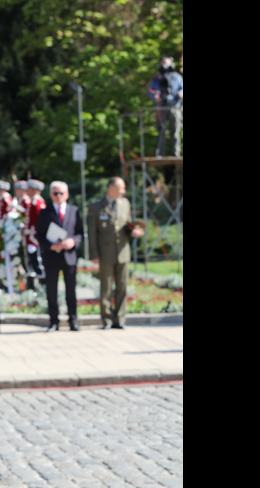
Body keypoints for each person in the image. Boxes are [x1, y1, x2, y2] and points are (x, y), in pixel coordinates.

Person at [88, 177, 145, 329]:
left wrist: (134, 231)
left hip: (123, 252)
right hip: (105, 252)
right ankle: (106, 319)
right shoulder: (97, 206)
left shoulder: (124, 204)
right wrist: (94, 254)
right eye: (121, 188)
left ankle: (119, 319)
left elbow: (128, 225)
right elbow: (92, 232)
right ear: (111, 188)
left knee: (122, 286)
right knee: (105, 287)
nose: (123, 191)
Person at [37, 181, 85, 332]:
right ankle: (53, 321)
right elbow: (40, 236)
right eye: (55, 193)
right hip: (52, 256)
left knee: (71, 291)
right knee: (51, 291)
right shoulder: (45, 212)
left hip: (69, 256)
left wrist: (73, 242)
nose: (58, 196)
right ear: (51, 195)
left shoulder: (74, 210)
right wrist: (51, 246)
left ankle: (73, 320)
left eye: (61, 193)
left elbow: (80, 234)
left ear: (67, 194)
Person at [147, 56, 183, 157]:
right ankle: (159, 155)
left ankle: (176, 154)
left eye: (167, 63)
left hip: (175, 107)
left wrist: (181, 93)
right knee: (161, 131)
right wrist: (156, 96)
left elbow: (182, 89)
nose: (165, 66)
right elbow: (150, 91)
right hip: (161, 107)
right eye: (163, 63)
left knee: (175, 132)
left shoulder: (177, 77)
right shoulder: (156, 79)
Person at [23, 178, 47, 290]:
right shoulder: (32, 201)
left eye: (29, 189)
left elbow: (41, 223)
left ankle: (43, 285)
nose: (27, 190)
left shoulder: (38, 203)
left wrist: (35, 237)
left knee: (38, 263)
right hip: (30, 237)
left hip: (35, 239)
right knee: (32, 262)